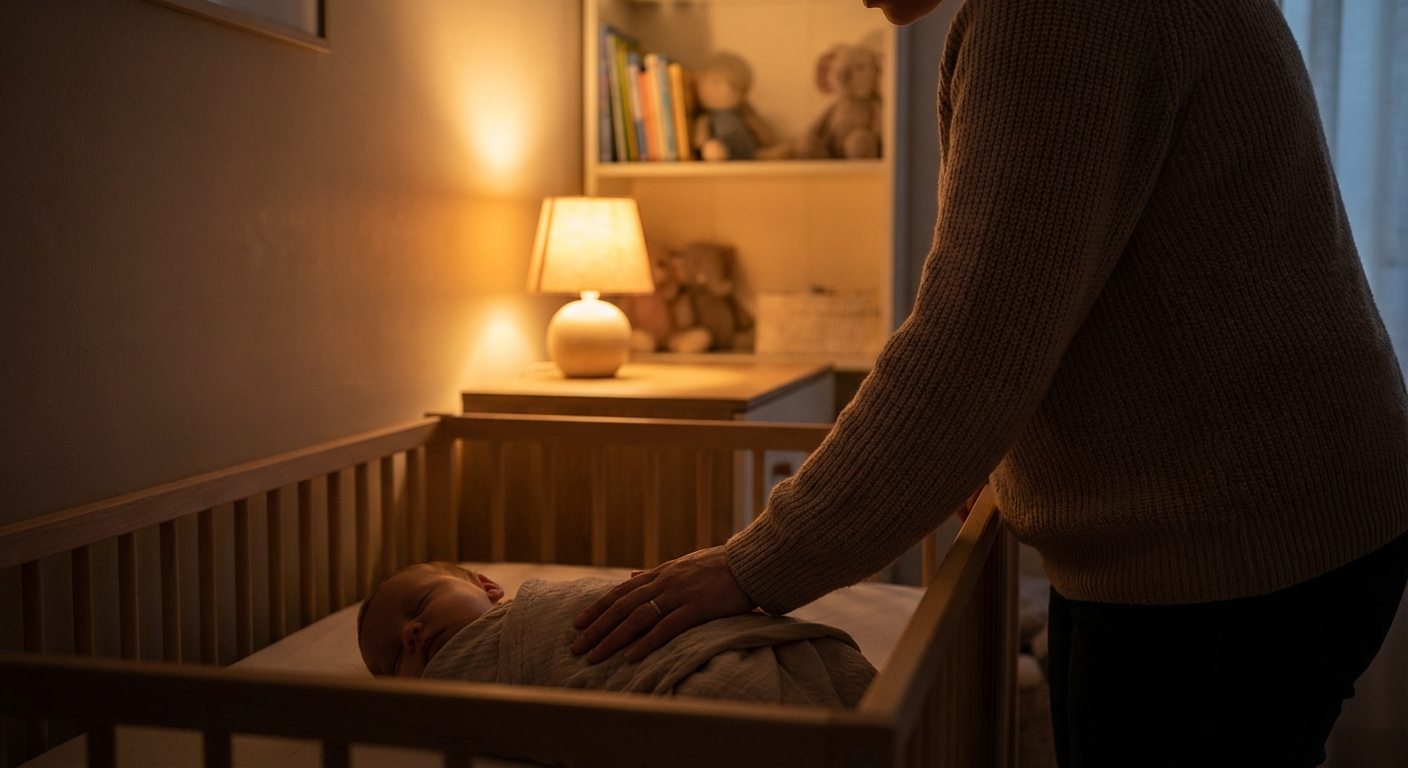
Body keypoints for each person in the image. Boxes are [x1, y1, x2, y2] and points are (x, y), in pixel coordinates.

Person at [571, 0, 1408, 765]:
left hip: (1235, 552)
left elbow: (971, 344)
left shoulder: (1053, 21)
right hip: (1267, 512)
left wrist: (752, 565)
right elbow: (1075, 284)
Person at [357, 561, 875, 707]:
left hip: (709, 648)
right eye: (392, 654)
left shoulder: (538, 608)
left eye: (421, 606)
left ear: (490, 588)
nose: (412, 634)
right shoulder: (447, 704)